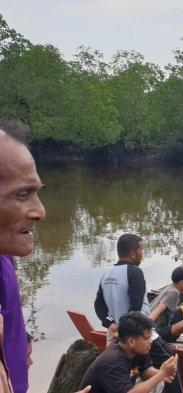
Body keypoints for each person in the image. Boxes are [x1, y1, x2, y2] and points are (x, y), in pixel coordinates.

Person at [94, 234, 182, 393]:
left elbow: (98, 306)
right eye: (141, 249)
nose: (143, 253)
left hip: (119, 333)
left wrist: (111, 324)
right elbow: (135, 308)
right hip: (138, 332)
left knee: (139, 367)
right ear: (132, 253)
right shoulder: (134, 272)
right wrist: (127, 330)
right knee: (170, 360)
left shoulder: (106, 274)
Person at [0, 120, 46, 393]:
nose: (40, 211)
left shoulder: (4, 253)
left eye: (36, 192)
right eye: (22, 194)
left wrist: (23, 337)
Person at [79, 312, 178, 393]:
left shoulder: (138, 350)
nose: (151, 341)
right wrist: (161, 374)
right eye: (147, 338)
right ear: (131, 341)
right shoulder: (113, 361)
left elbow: (144, 371)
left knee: (158, 382)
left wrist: (163, 373)